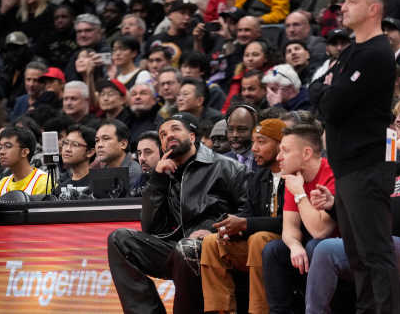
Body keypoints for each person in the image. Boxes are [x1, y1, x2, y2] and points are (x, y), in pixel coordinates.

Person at [304, 110, 400, 314]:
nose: (397, 137)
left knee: (364, 249)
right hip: (379, 241)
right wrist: (334, 205)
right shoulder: (393, 166)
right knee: (323, 249)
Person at [308, 0, 400, 313]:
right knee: (357, 255)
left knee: (375, 253)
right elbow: (316, 88)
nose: (342, 6)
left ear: (373, 9)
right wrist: (328, 90)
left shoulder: (376, 54)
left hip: (367, 166)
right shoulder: (350, 51)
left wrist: (328, 91)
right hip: (346, 167)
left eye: (350, 0)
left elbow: (331, 106)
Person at [107, 112, 248, 314]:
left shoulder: (227, 167)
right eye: (163, 134)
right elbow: (151, 228)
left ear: (192, 136)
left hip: (217, 244)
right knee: (119, 240)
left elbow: (247, 212)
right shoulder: (165, 174)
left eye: (175, 129)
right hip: (178, 247)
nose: (168, 136)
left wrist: (215, 233)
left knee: (187, 248)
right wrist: (157, 181)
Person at [201, 118, 287, 314]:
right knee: (211, 242)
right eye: (254, 142)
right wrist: (230, 229)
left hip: (287, 243)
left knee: (260, 239)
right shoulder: (259, 177)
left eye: (261, 142)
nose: (254, 148)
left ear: (282, 144)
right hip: (258, 242)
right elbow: (247, 213)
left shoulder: (294, 174)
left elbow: (290, 223)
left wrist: (246, 224)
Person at [262, 122, 336, 312]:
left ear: (306, 153)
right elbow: (289, 228)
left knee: (314, 246)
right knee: (273, 250)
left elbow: (321, 231)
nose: (279, 157)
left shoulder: (331, 175)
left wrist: (300, 193)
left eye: (285, 151)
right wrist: (294, 246)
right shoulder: (294, 177)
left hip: (340, 247)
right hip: (316, 244)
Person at [0, 127, 52, 198]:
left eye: (8, 146)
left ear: (24, 152)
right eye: (0, 147)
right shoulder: (0, 186)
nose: (1, 152)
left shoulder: (44, 182)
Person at [95, 119, 142, 185]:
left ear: (123, 144)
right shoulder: (100, 172)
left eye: (106, 139)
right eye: (97, 140)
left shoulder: (133, 172)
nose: (99, 145)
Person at [60, 124, 96, 189]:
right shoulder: (61, 187)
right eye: (66, 143)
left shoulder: (98, 185)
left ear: (90, 152)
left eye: (75, 144)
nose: (67, 149)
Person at [224, 104, 258, 172]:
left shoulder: (265, 162)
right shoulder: (223, 161)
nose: (235, 135)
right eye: (230, 129)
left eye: (241, 129)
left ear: (254, 130)